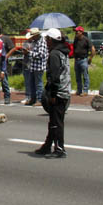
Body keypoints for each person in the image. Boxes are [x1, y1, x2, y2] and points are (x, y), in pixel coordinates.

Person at [35, 29, 70, 158]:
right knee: (53, 121)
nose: (46, 42)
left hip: (59, 92)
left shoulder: (55, 54)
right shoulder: (62, 52)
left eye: (47, 39)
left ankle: (60, 148)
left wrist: (53, 94)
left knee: (57, 122)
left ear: (51, 40)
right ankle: (47, 146)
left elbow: (55, 77)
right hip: (64, 90)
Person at [23, 28, 47, 106]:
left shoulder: (42, 42)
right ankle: (33, 99)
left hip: (39, 66)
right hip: (33, 66)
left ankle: (40, 100)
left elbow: (41, 54)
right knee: (32, 83)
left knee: (39, 84)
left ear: (36, 35)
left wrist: (29, 52)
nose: (32, 38)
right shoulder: (34, 42)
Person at [71, 26, 95, 96]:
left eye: (77, 31)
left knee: (85, 76)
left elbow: (93, 49)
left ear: (81, 32)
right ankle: (79, 90)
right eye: (75, 31)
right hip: (77, 60)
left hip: (83, 60)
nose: (76, 33)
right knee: (77, 76)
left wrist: (90, 58)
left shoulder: (86, 40)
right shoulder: (75, 39)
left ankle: (85, 91)